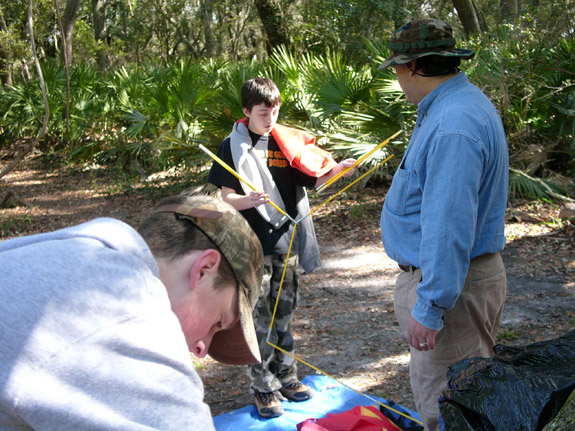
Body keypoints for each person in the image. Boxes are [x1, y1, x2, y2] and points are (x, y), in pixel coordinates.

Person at [0, 194, 264, 431]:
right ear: (204, 269)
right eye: (218, 322)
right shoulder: (127, 312)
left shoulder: (53, 253)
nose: (201, 349)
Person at [378, 19, 509, 431]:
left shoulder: (453, 123)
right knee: (470, 404)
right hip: (460, 284)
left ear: (415, 66)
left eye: (398, 67)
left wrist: (431, 306)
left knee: (449, 413)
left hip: (452, 291)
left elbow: (448, 225)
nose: (397, 77)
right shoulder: (456, 106)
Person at [207, 77, 356, 418]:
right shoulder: (232, 145)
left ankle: (287, 377)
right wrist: (248, 199)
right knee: (259, 319)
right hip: (253, 245)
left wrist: (338, 171)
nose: (270, 117)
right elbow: (226, 198)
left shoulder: (285, 140)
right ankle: (263, 386)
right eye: (263, 112)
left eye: (274, 110)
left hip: (286, 243)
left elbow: (314, 179)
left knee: (284, 316)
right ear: (246, 111)